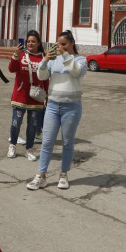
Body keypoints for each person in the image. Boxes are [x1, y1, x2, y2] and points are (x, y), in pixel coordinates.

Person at [26, 30, 87, 191]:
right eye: (58, 44)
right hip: (53, 106)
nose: (61, 47)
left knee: (67, 142)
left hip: (72, 107)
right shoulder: (54, 60)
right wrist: (45, 60)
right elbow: (42, 76)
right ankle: (41, 175)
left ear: (72, 43)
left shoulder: (81, 60)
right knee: (47, 142)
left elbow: (76, 72)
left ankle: (64, 174)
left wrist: (65, 55)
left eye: (64, 44)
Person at [7, 30, 48, 161]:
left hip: (36, 98)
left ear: (38, 43)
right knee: (16, 122)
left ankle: (29, 149)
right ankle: (12, 145)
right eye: (28, 41)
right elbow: (11, 69)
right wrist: (15, 54)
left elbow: (46, 78)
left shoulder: (43, 57)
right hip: (20, 95)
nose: (30, 43)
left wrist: (47, 94)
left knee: (33, 125)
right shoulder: (21, 55)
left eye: (33, 41)